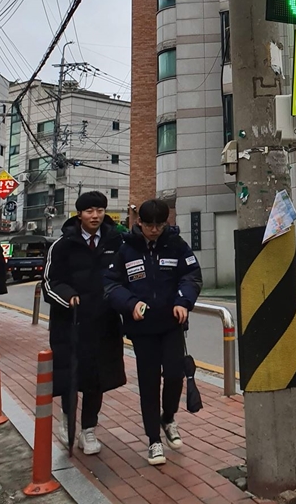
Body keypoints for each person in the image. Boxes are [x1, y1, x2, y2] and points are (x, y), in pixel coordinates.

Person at [104, 199, 202, 466]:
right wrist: (131, 303)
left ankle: (168, 418)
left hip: (171, 324)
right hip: (142, 329)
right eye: (150, 225)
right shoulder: (126, 249)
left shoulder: (177, 245)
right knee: (149, 382)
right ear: (140, 223)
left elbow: (191, 276)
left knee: (174, 374)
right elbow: (111, 284)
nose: (155, 230)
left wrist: (183, 301)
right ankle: (153, 440)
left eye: (160, 225)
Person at [43, 191, 126, 455]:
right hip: (70, 324)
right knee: (70, 376)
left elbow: (125, 278)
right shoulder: (62, 245)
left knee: (97, 379)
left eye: (100, 210)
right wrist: (68, 297)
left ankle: (88, 429)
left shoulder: (117, 242)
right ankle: (68, 420)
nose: (95, 216)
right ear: (79, 214)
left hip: (104, 324)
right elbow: (49, 283)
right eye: (89, 211)